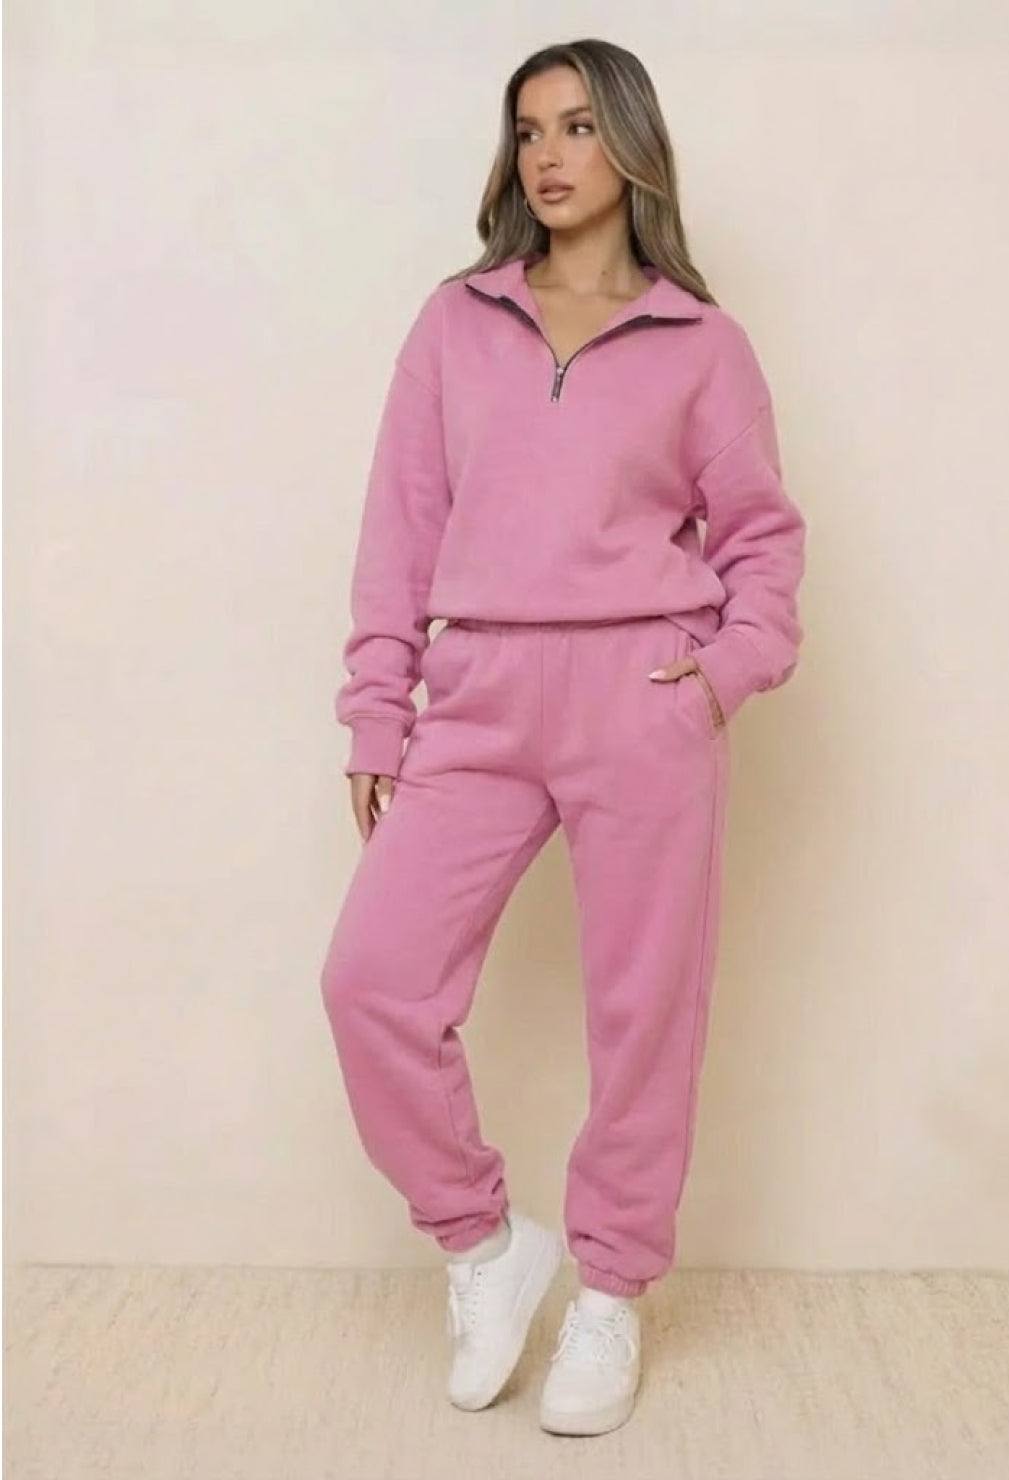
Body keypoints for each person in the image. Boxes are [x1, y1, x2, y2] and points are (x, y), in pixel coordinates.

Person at [319, 38, 807, 1437]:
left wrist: (718, 677)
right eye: (529, 129)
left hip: (642, 699)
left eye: (579, 127)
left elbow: (764, 545)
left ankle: (612, 1293)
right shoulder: (454, 323)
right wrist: (378, 708)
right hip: (475, 697)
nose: (548, 155)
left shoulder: (700, 345)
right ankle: (485, 1248)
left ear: (631, 146)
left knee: (643, 1013)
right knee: (372, 982)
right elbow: (399, 527)